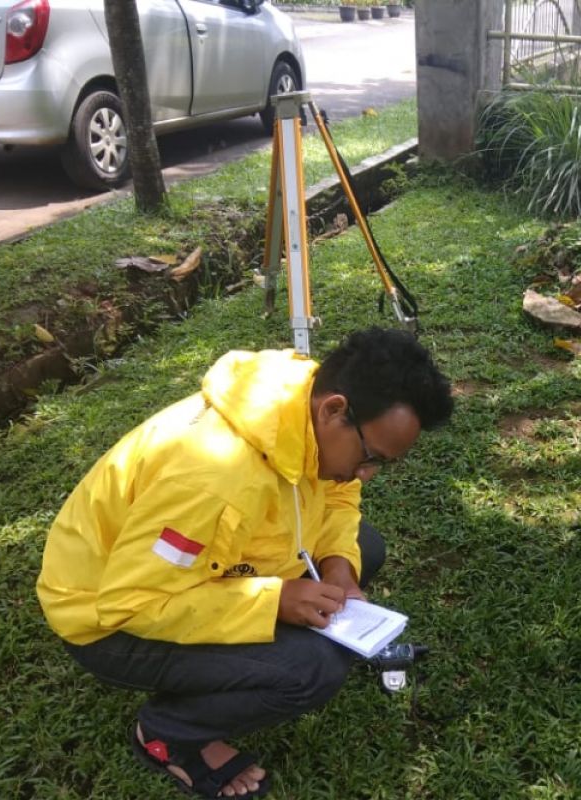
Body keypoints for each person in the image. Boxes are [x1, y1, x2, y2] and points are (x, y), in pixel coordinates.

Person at [36, 327, 453, 799]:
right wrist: (273, 601)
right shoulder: (211, 481)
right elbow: (132, 602)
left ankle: (252, 652)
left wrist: (339, 564)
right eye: (371, 456)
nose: (367, 474)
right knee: (312, 668)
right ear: (334, 409)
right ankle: (168, 732)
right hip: (105, 619)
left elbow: (338, 494)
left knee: (363, 547)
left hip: (180, 573)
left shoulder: (300, 410)